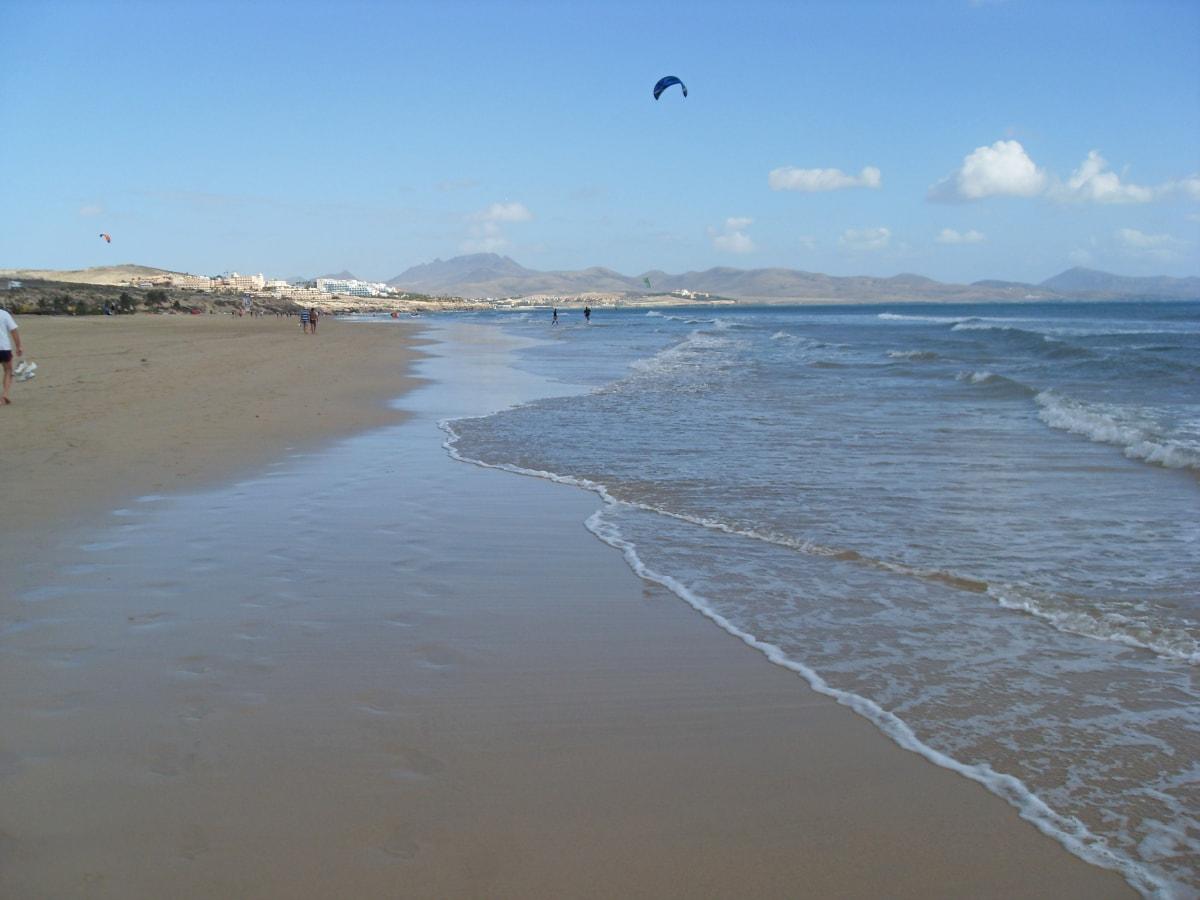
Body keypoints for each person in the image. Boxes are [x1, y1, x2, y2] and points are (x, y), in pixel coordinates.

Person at [1, 306, 24, 406]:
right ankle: (5, 394)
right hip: (4, 348)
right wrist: (18, 346)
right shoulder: (4, 314)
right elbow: (14, 330)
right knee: (8, 370)